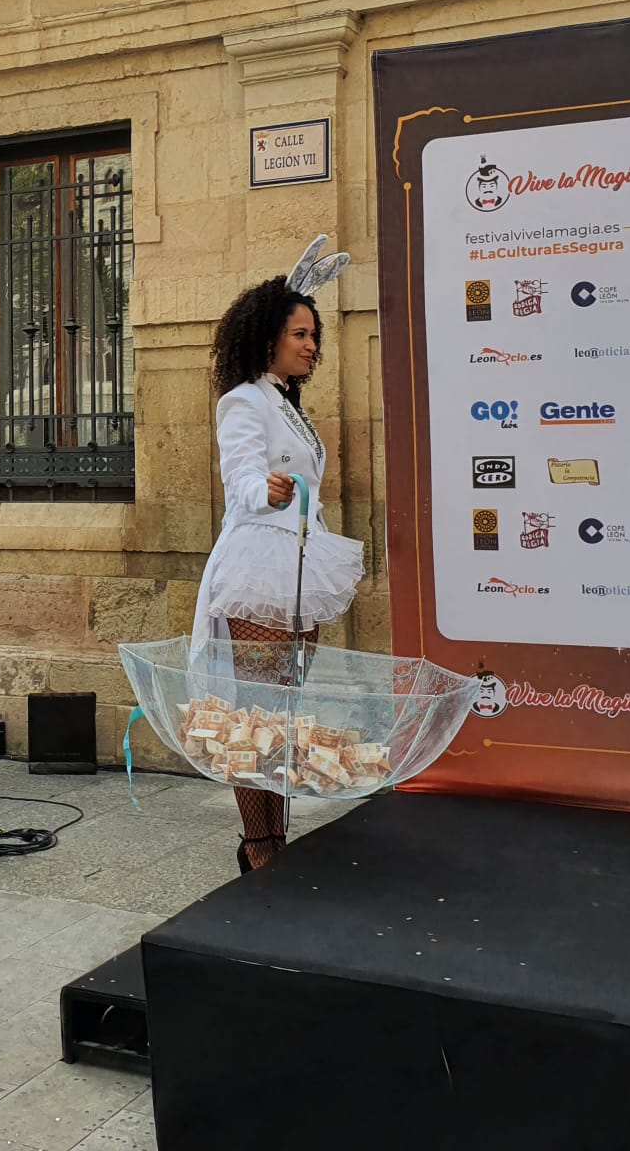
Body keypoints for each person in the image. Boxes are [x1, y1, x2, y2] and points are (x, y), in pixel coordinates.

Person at [193, 236, 364, 872]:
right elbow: (236, 473)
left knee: (282, 706)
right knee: (252, 712)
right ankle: (258, 844)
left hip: (299, 561)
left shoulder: (290, 408)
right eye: (301, 334)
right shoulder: (244, 400)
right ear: (270, 338)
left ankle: (275, 835)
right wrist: (260, 489)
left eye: (316, 335)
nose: (313, 346)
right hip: (260, 560)